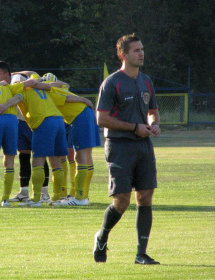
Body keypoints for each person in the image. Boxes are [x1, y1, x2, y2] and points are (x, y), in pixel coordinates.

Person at [94, 33, 161, 265]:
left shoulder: (147, 81)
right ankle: (102, 237)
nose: (141, 53)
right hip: (119, 146)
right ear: (123, 54)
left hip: (143, 145)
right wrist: (134, 127)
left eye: (142, 49)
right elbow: (101, 119)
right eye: (136, 50)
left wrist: (153, 125)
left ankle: (141, 253)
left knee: (145, 196)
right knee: (121, 200)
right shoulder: (112, 82)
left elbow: (153, 111)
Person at [0, 74, 93, 207]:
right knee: (56, 161)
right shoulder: (44, 91)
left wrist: (5, 105)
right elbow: (65, 97)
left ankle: (36, 200)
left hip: (43, 122)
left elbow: (17, 98)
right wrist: (83, 100)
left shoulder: (24, 91)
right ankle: (56, 197)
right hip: (59, 121)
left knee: (38, 160)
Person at [0, 64, 51, 203]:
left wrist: (5, 105)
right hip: (20, 123)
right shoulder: (9, 87)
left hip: (34, 123)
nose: (18, 84)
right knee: (24, 158)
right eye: (15, 82)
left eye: (19, 82)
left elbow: (32, 72)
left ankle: (44, 192)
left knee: (40, 158)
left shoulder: (27, 89)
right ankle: (24, 192)